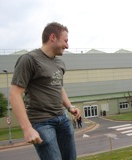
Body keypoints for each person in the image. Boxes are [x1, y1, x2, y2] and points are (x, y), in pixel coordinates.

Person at [9, 22, 81, 160]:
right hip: (42, 123)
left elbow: (58, 87)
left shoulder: (60, 63)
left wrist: (69, 106)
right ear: (53, 37)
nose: (67, 45)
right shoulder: (29, 60)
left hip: (62, 119)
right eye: (65, 41)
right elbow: (14, 94)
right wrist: (27, 128)